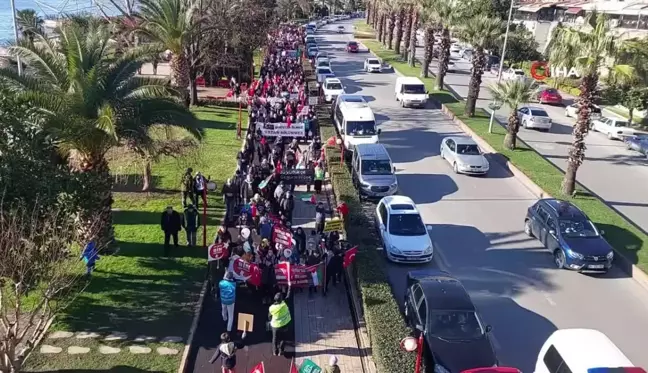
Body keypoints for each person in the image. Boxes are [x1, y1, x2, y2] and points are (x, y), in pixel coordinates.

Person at [269, 292, 292, 356]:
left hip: (276, 326)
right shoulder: (284, 304)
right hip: (285, 324)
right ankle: (281, 351)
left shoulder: (272, 308)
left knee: (275, 338)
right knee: (283, 338)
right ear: (281, 299)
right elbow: (288, 296)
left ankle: (275, 351)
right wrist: (289, 287)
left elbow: (269, 317)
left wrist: (271, 320)